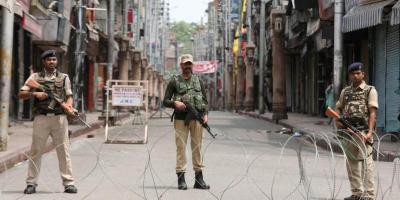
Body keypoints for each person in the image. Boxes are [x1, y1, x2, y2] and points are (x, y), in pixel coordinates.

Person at [19, 50, 78, 194]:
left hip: (59, 118)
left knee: (63, 151)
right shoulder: (35, 77)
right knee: (36, 151)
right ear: (43, 62)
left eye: (54, 59)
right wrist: (35, 93)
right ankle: (31, 183)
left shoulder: (64, 78)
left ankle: (69, 183)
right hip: (41, 118)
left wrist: (69, 107)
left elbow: (69, 95)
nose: (52, 62)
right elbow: (21, 94)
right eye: (49, 60)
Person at [163, 54, 210, 190]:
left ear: (192, 65)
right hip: (180, 119)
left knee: (197, 148)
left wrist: (205, 115)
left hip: (197, 118)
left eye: (189, 64)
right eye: (185, 64)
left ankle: (199, 180)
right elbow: (165, 101)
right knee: (181, 148)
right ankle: (181, 179)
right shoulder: (174, 81)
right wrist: (175, 103)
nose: (187, 67)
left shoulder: (198, 81)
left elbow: (205, 101)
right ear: (181, 66)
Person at [335, 62, 378, 200]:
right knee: (351, 163)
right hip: (348, 132)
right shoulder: (345, 91)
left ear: (363, 74)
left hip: (363, 132)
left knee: (367, 164)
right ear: (349, 75)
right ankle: (357, 193)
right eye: (353, 74)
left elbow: (372, 113)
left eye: (358, 73)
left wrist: (370, 132)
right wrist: (338, 122)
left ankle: (369, 195)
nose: (355, 76)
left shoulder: (370, 90)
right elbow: (339, 108)